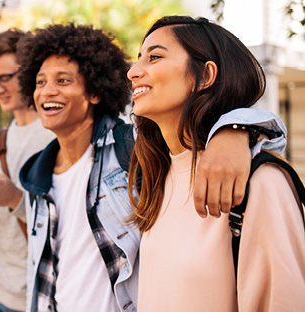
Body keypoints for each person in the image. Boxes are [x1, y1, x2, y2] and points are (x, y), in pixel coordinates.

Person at [16, 23, 287, 311]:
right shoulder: (36, 175)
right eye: (40, 82)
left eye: (63, 81)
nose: (47, 92)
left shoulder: (132, 150)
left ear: (95, 92)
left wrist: (235, 129)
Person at [127, 16, 305, 311]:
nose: (133, 71)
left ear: (205, 75)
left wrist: (238, 129)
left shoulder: (259, 181)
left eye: (154, 57)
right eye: (138, 59)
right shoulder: (156, 175)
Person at [0, 29, 56, 312]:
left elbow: (73, 222)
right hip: (2, 292)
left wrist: (15, 198)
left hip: (47, 294)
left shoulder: (58, 133)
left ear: (30, 70)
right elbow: (3, 222)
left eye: (5, 77)